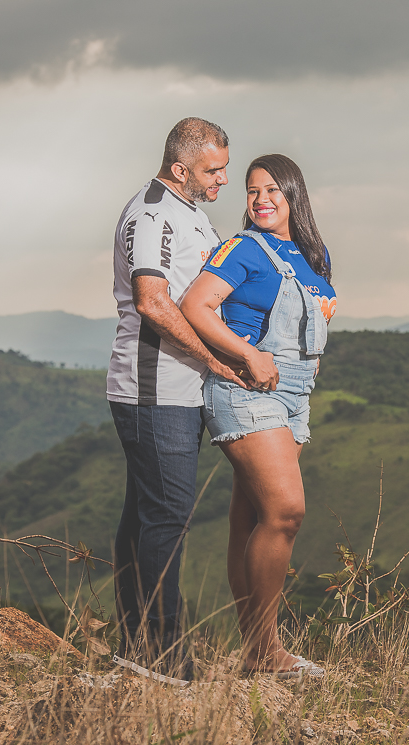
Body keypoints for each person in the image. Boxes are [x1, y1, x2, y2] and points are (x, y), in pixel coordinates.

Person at [181, 154, 336, 677]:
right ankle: (267, 651)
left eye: (273, 190)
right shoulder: (242, 248)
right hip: (247, 388)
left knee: (250, 519)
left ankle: (255, 653)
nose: (261, 200)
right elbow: (196, 306)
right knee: (286, 512)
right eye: (252, 191)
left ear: (294, 194)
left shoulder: (315, 255)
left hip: (294, 396)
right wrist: (249, 354)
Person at [106, 117, 246, 683]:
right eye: (214, 171)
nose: (223, 180)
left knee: (145, 517)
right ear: (181, 168)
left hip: (181, 392)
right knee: (165, 518)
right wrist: (213, 359)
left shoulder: (192, 213)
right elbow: (152, 302)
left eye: (225, 169)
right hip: (154, 389)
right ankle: (163, 657)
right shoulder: (151, 214)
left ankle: (135, 645)